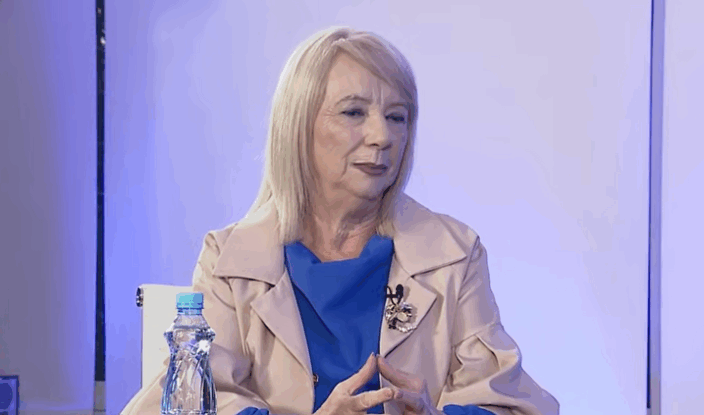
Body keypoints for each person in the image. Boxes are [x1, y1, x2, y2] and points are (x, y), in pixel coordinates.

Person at [121, 26, 559, 415]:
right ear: (298, 126)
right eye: (354, 113)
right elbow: (190, 403)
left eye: (397, 117)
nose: (382, 137)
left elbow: (510, 403)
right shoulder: (230, 260)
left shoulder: (454, 253)